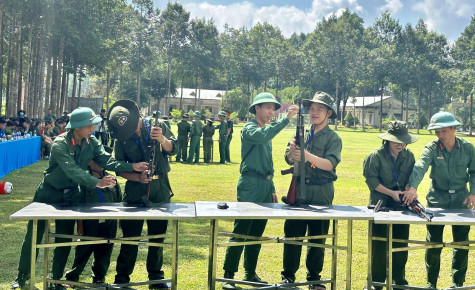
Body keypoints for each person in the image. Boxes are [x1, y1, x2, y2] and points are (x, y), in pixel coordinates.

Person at [11, 107, 148, 290]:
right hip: (48, 194)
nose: (93, 129)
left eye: (93, 125)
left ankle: (56, 280)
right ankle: (22, 277)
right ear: (76, 127)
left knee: (64, 238)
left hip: (71, 196)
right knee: (33, 236)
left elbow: (108, 161)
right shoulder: (60, 144)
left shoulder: (92, 142)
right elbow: (72, 170)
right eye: (89, 126)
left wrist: (132, 167)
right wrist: (96, 182)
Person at [221, 92, 299, 290]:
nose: (271, 112)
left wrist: (271, 187)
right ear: (256, 108)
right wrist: (286, 119)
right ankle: (228, 276)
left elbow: (268, 162)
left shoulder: (266, 130)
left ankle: (249, 273)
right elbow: (264, 135)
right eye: (267, 108)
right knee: (241, 230)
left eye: (274, 109)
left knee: (256, 232)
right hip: (250, 184)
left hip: (264, 185)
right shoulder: (250, 129)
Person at [107, 100, 177, 289]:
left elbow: (174, 149)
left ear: (138, 118)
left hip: (160, 188)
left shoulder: (158, 126)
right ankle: (122, 279)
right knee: (130, 237)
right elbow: (118, 168)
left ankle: (156, 277)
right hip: (135, 191)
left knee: (158, 237)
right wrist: (137, 177)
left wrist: (162, 140)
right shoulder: (120, 137)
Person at [406, 111, 475, 289]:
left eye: (443, 131)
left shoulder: (468, 148)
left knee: (461, 243)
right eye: (437, 132)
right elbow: (420, 166)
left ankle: (457, 283)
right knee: (433, 243)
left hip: (461, 200)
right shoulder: (432, 148)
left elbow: (474, 172)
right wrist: (412, 187)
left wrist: (473, 192)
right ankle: (431, 283)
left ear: (454, 128)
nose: (440, 135)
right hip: (437, 199)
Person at [281, 92, 342, 290]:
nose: (314, 113)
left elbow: (330, 165)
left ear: (329, 113)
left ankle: (314, 278)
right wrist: (292, 153)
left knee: (318, 236)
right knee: (293, 234)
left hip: (321, 190)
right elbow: (288, 159)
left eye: (320, 109)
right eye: (312, 109)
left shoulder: (333, 138)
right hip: (299, 187)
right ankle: (288, 277)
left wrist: (307, 155)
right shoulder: (302, 132)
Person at [363, 120, 418, 289]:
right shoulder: (375, 156)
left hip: (402, 206)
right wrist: (391, 193)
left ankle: (399, 280)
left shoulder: (409, 156)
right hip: (381, 204)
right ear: (387, 139)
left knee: (401, 243)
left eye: (402, 141)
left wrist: (409, 190)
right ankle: (376, 282)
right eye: (395, 140)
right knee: (379, 244)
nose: (399, 144)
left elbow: (411, 178)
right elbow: (371, 180)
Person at [65, 159, 122, 285]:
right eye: (97, 161)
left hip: (109, 221)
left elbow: (119, 201)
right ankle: (72, 278)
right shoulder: (84, 180)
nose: (101, 164)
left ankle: (99, 278)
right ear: (89, 163)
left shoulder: (112, 180)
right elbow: (79, 204)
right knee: (83, 250)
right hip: (90, 222)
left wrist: (120, 220)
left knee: (105, 250)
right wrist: (80, 224)